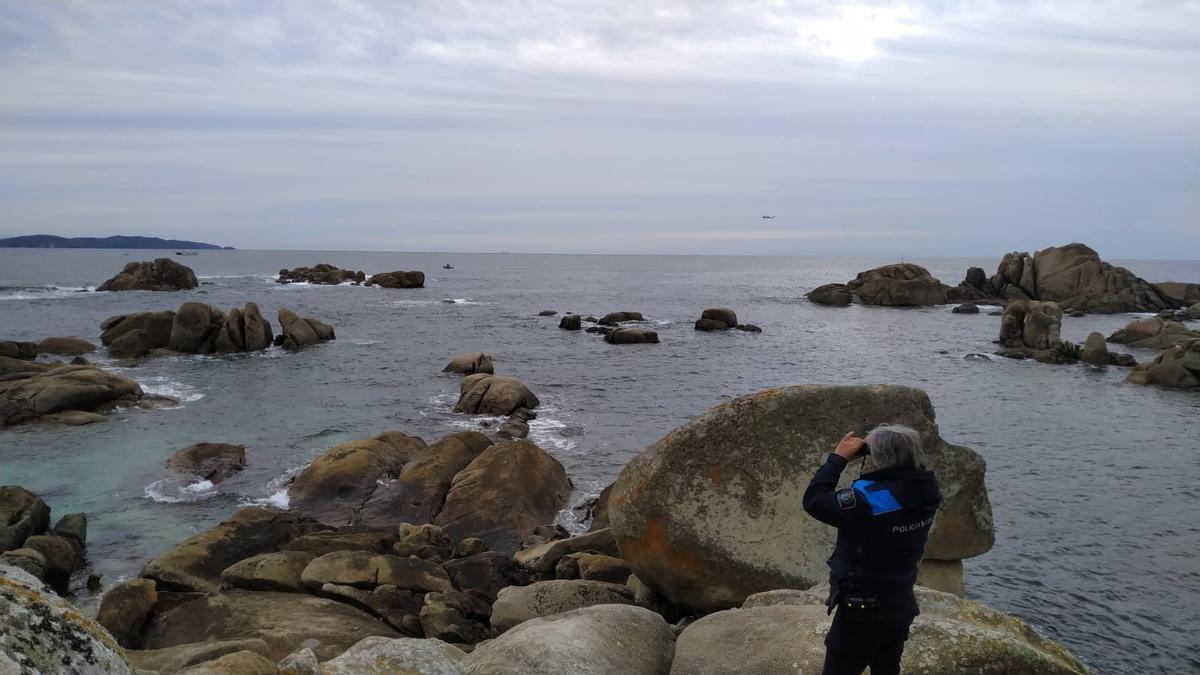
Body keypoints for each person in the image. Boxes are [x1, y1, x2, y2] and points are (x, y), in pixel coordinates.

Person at [802, 424, 942, 675]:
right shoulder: (928, 489)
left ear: (878, 457)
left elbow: (814, 500)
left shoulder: (868, 498)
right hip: (901, 600)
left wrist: (839, 458)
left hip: (863, 608)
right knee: (887, 668)